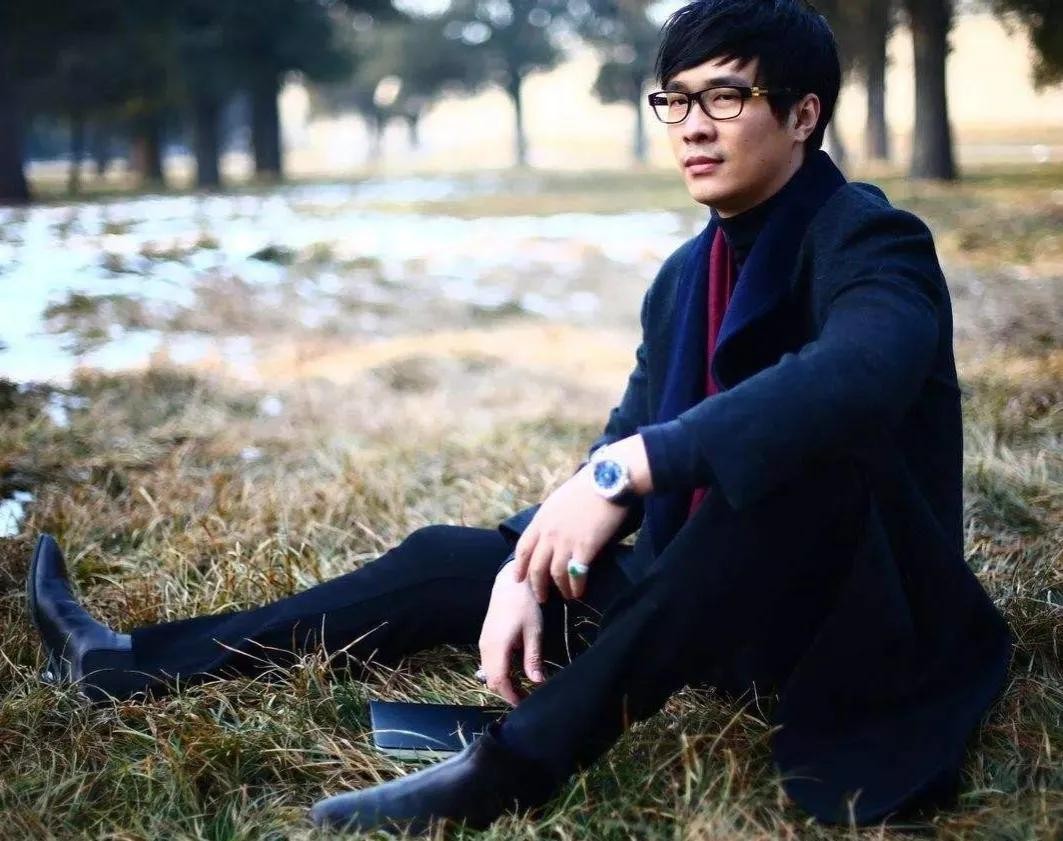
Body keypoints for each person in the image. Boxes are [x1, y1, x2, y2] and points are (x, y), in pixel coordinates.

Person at [27, 0, 1013, 834]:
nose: (692, 126)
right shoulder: (686, 274)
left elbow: (857, 373)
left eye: (726, 97)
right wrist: (527, 565)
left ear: (802, 115)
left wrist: (634, 467)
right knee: (450, 558)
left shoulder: (870, 239)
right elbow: (622, 432)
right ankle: (131, 665)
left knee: (788, 473)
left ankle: (512, 767)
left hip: (847, 617)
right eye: (675, 99)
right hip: (693, 602)